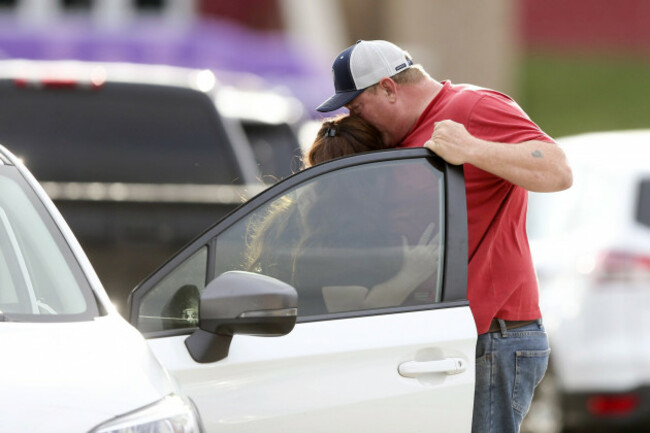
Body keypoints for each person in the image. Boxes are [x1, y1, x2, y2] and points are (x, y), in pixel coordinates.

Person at [316, 40, 573, 433]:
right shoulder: (398, 136)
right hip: (445, 339)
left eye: (356, 107)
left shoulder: (474, 107)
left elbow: (557, 170)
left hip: (493, 337)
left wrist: (472, 148)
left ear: (388, 88)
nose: (356, 118)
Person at [245, 114, 440, 313]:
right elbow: (352, 311)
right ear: (371, 175)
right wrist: (411, 274)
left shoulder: (302, 214)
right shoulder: (339, 234)